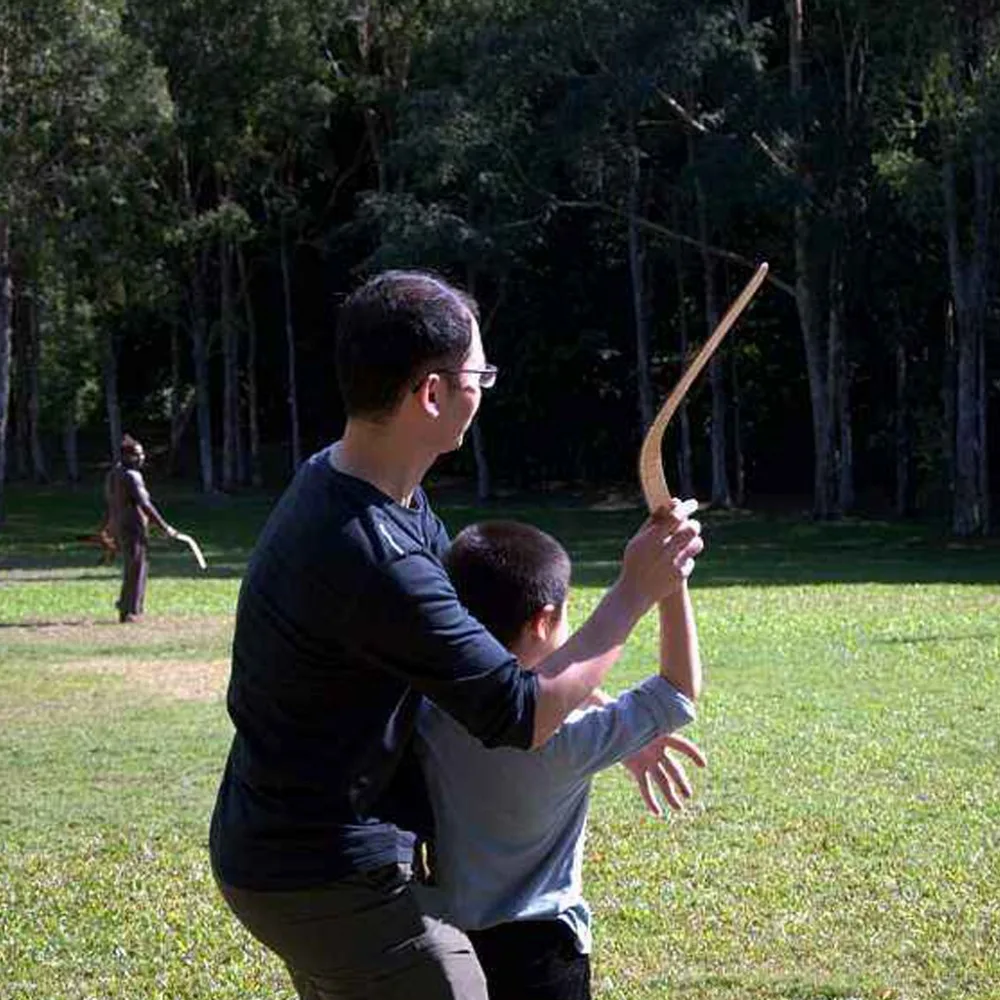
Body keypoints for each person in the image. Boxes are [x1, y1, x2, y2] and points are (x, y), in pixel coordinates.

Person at [208, 270, 704, 1000]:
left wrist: (599, 718)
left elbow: (467, 667)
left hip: (278, 847)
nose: (485, 389)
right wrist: (636, 591)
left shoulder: (361, 491)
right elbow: (520, 711)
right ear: (432, 393)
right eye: (480, 373)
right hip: (318, 867)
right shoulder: (375, 553)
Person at [414, 515, 703, 1000]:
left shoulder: (426, 706)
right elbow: (677, 691)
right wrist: (669, 585)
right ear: (543, 621)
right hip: (543, 957)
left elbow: (525, 685)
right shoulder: (567, 744)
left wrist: (603, 707)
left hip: (448, 947)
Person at [103, 434, 178, 623]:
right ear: (127, 456)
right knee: (136, 567)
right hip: (132, 526)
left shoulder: (114, 473)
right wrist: (164, 526)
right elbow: (145, 504)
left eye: (141, 453)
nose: (142, 457)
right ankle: (129, 611)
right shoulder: (132, 475)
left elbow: (114, 502)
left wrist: (110, 526)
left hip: (121, 524)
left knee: (133, 566)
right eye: (138, 454)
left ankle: (127, 606)